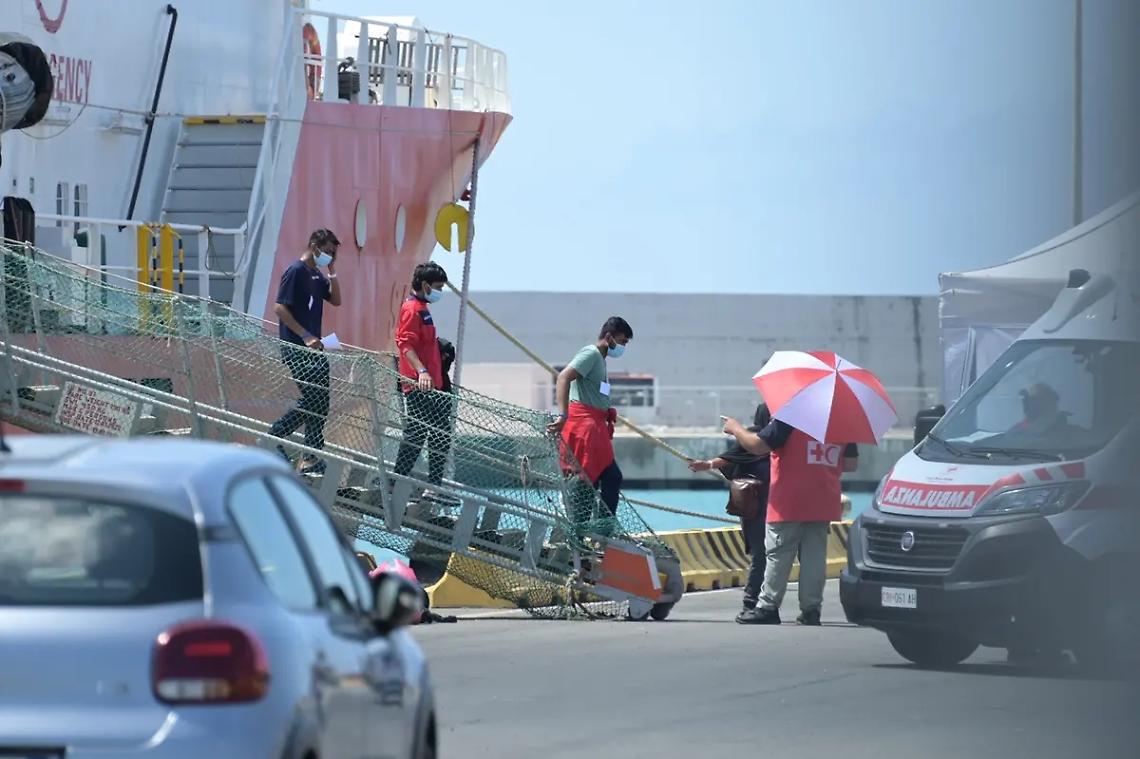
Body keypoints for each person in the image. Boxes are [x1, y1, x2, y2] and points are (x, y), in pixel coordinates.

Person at [721, 414, 858, 625]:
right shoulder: (842, 421)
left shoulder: (791, 416)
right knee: (814, 558)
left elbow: (758, 446)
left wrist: (735, 429)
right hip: (823, 497)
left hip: (788, 499)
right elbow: (850, 464)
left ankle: (767, 607)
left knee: (778, 553)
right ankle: (811, 610)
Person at [269, 228, 342, 475]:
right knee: (312, 399)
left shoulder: (316, 275)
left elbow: (336, 300)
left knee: (322, 402)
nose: (330, 256)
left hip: (316, 351)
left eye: (333, 254)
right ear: (314, 246)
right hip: (298, 347)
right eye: (328, 252)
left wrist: (333, 271)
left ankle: (311, 456)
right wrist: (305, 335)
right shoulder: (296, 271)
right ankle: (275, 435)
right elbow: (280, 308)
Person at [689, 402, 772, 613]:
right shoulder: (755, 437)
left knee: (768, 554)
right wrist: (707, 465)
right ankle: (751, 600)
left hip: (775, 504)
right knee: (761, 553)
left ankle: (763, 600)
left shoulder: (781, 438)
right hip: (757, 505)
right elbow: (730, 457)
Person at [547, 317, 633, 521]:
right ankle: (595, 528)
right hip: (585, 426)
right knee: (600, 477)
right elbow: (563, 377)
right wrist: (563, 414)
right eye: (622, 341)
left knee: (597, 478)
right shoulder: (591, 354)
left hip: (596, 426)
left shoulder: (600, 360)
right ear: (609, 337)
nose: (623, 347)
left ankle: (594, 528)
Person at [393, 262, 454, 495]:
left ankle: (434, 486)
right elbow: (405, 344)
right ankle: (396, 481)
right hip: (419, 384)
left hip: (434, 387)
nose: (440, 291)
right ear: (426, 285)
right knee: (417, 433)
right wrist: (422, 371)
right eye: (438, 287)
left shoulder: (423, 309)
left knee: (440, 434)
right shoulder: (412, 309)